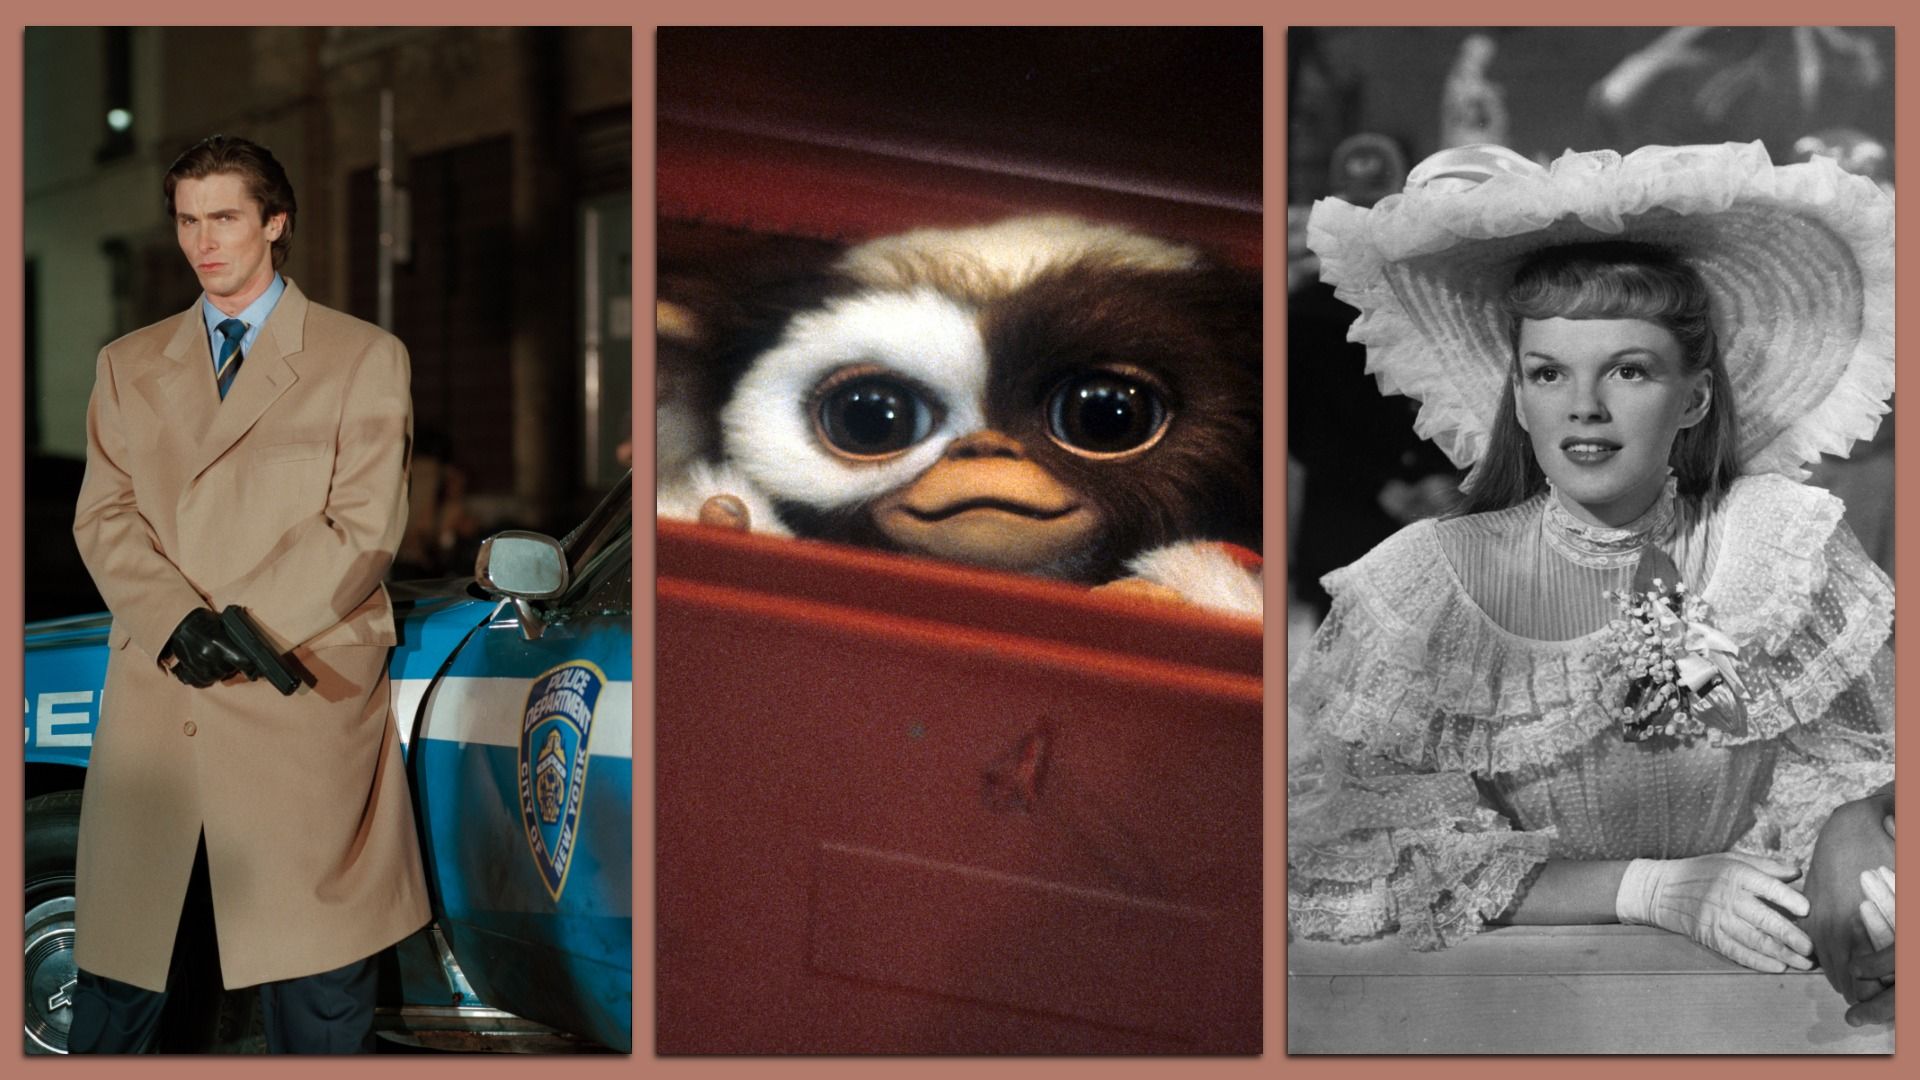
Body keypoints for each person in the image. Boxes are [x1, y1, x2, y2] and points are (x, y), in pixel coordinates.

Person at [1289, 142, 1894, 1017]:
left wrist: (1860, 849)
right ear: (1520, 395)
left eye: (1629, 370)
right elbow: (1362, 855)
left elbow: (1856, 770)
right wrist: (1647, 888)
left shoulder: (1780, 548)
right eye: (1549, 373)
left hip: (1761, 989)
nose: (1585, 407)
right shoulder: (1423, 584)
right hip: (1514, 1010)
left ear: (1692, 399)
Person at [68, 135, 428, 1053]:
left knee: (313, 985)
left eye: (224, 218)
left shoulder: (361, 356)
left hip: (294, 693)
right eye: (187, 221)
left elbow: (365, 526)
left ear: (275, 223)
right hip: (162, 695)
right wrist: (175, 620)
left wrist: (241, 627)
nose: (203, 242)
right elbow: (103, 516)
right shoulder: (128, 363)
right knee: (127, 983)